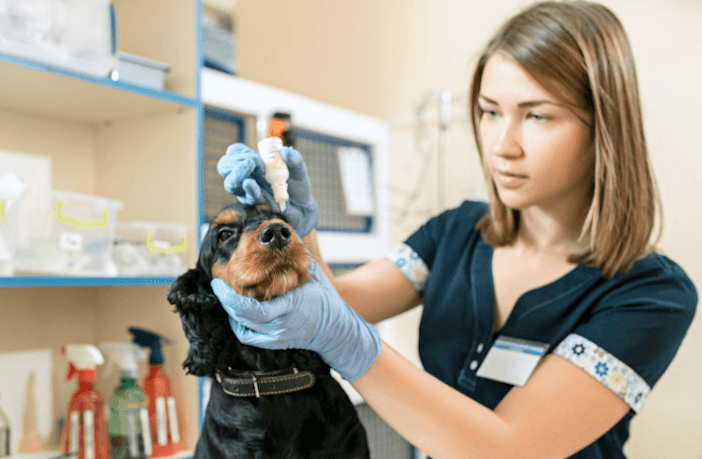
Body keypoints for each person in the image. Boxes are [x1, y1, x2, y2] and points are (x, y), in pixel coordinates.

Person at [212, 1, 697, 458]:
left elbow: (509, 449)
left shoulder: (653, 294)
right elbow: (339, 303)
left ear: (603, 127)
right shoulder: (456, 232)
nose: (502, 145)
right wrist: (291, 230)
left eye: (537, 116)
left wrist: (347, 342)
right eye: (489, 112)